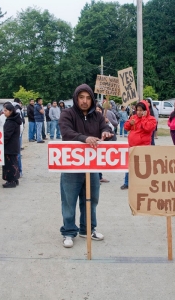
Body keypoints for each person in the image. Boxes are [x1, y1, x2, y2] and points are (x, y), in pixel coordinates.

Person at [58, 84, 114, 248]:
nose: (84, 101)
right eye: (81, 97)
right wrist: (84, 138)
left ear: (92, 99)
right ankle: (68, 231)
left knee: (91, 199)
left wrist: (106, 133)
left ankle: (87, 229)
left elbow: (107, 128)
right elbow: (66, 132)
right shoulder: (67, 114)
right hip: (71, 166)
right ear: (76, 98)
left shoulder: (97, 116)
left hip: (92, 166)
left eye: (88, 98)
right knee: (69, 200)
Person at [120, 100, 157, 190]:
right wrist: (129, 123)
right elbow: (126, 127)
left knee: (143, 166)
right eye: (138, 110)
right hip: (132, 147)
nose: (139, 112)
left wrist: (143, 118)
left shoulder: (151, 119)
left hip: (143, 148)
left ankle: (143, 183)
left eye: (141, 110)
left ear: (146, 110)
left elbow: (148, 128)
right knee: (130, 165)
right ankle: (127, 183)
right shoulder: (133, 117)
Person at [2, 102, 22, 188]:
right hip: (14, 145)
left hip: (9, 146)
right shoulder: (15, 120)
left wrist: (1, 142)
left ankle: (11, 180)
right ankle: (15, 179)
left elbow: (6, 135)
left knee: (9, 164)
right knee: (14, 163)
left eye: (6, 110)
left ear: (10, 111)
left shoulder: (11, 122)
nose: (4, 112)